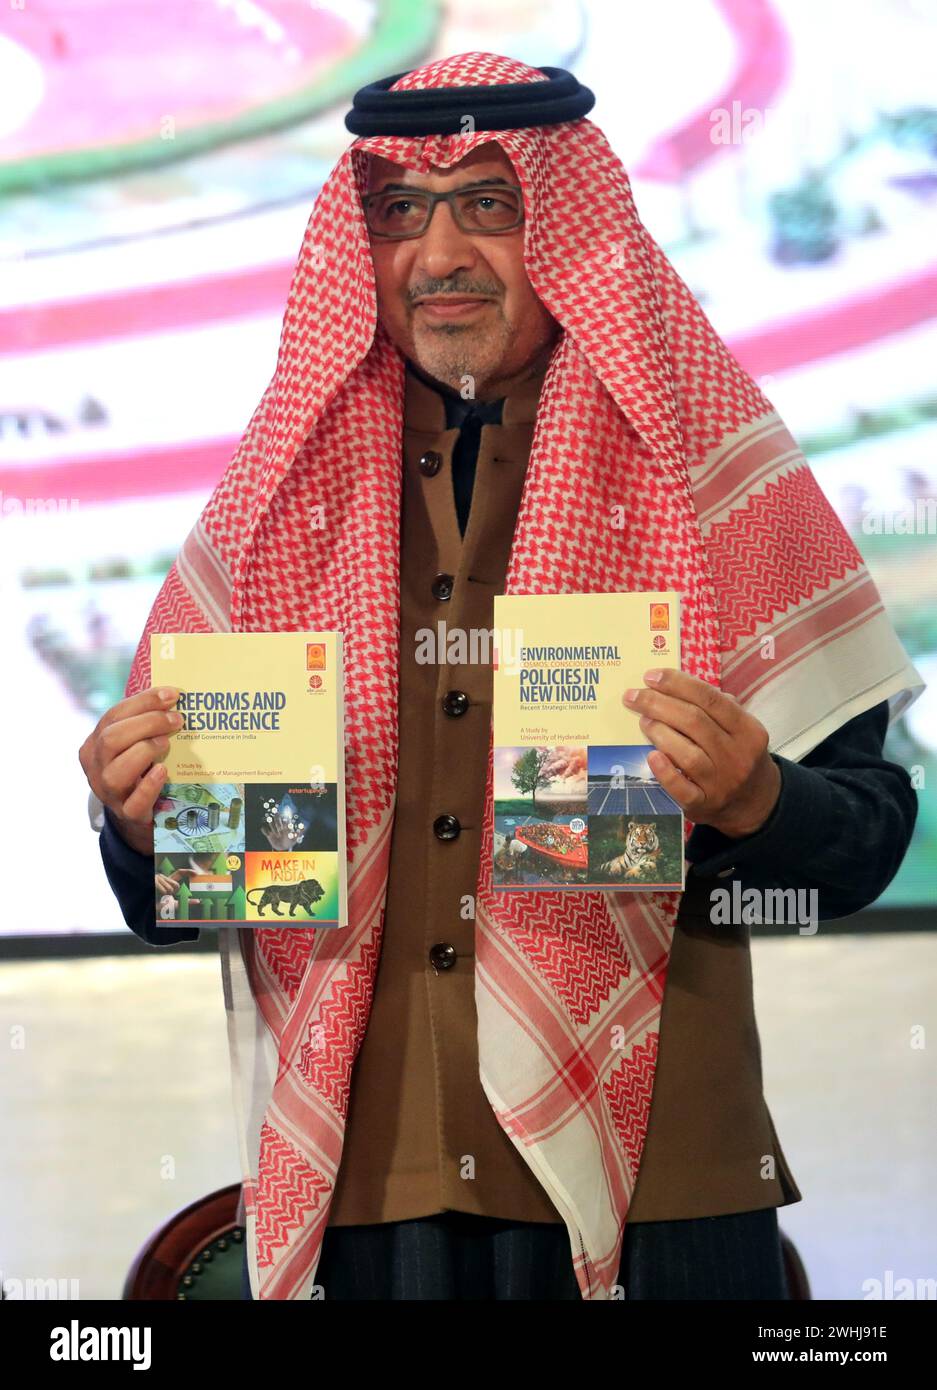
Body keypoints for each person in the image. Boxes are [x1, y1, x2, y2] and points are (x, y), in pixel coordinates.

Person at [79, 53, 923, 1301]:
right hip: (371, 1174)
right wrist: (146, 831)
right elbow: (193, 895)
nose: (439, 255)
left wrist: (756, 801)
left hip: (663, 1176)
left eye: (490, 204)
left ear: (571, 230)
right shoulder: (275, 510)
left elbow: (866, 843)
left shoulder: (722, 487)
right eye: (400, 212)